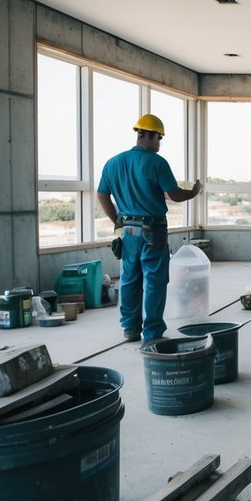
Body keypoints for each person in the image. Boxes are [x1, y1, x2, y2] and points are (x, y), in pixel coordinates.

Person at [97, 114, 202, 342]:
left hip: (128, 230)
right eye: (159, 138)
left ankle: (130, 329)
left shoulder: (113, 162)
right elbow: (174, 194)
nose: (160, 143)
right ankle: (152, 331)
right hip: (152, 229)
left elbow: (102, 193)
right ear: (152, 136)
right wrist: (194, 192)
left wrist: (116, 220)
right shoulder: (157, 162)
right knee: (154, 280)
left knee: (129, 278)